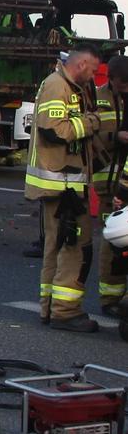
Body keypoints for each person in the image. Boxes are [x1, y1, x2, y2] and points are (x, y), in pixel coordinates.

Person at [24, 43, 103, 331]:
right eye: (93, 70)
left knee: (56, 247)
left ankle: (49, 308)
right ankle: (64, 312)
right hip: (62, 183)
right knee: (74, 247)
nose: (94, 77)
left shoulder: (65, 84)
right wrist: (91, 122)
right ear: (82, 64)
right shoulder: (58, 86)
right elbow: (54, 130)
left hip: (62, 182)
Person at [95, 55, 128, 315]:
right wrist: (114, 136)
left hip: (124, 180)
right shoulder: (98, 99)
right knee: (113, 242)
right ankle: (110, 298)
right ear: (111, 79)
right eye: (122, 84)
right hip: (108, 183)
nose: (125, 87)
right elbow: (91, 138)